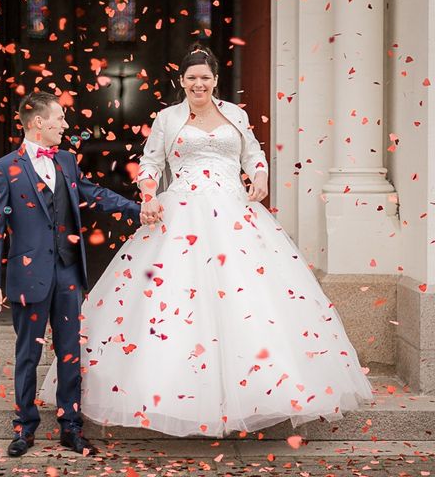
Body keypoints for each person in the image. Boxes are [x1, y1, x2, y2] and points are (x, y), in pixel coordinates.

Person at [40, 43, 373, 437]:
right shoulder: (167, 118)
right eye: (191, 78)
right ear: (182, 81)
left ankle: (261, 392)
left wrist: (260, 177)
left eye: (205, 78)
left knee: (248, 297)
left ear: (215, 80)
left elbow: (253, 154)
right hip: (182, 210)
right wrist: (148, 193)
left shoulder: (236, 114)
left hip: (236, 213)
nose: (198, 84)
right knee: (176, 300)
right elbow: (151, 162)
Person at [0, 91, 141, 456]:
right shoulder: (5, 168)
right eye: (60, 118)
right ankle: (24, 428)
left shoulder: (67, 160)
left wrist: (137, 208)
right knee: (27, 355)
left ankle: (71, 426)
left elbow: (92, 193)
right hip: (28, 276)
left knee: (71, 352)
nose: (65, 125)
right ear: (38, 123)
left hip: (68, 272)